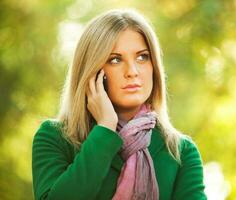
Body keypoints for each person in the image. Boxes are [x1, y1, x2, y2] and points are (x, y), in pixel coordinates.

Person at [32, 8, 207, 200]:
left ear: (154, 67)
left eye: (142, 57)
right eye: (115, 60)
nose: (132, 71)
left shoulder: (180, 152)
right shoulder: (55, 137)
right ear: (92, 72)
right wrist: (104, 129)